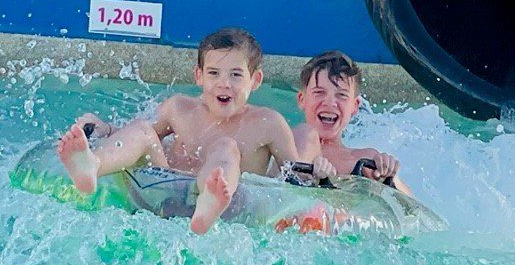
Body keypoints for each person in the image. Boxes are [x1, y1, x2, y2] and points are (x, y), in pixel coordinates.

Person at [56, 27, 330, 235]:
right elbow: (134, 140)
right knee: (142, 129)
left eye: (235, 75)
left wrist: (319, 172)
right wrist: (104, 129)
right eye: (214, 73)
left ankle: (210, 197)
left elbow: (293, 176)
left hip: (227, 208)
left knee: (226, 147)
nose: (224, 84)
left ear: (255, 80)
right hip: (165, 192)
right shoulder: (179, 108)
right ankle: (92, 165)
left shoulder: (268, 123)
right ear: (198, 76)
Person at [292, 50, 413, 196]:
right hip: (297, 209)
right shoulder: (283, 146)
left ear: (354, 106)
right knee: (306, 133)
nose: (330, 103)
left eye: (341, 95)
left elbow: (414, 210)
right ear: (302, 99)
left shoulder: (364, 160)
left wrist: (391, 178)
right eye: (319, 92)